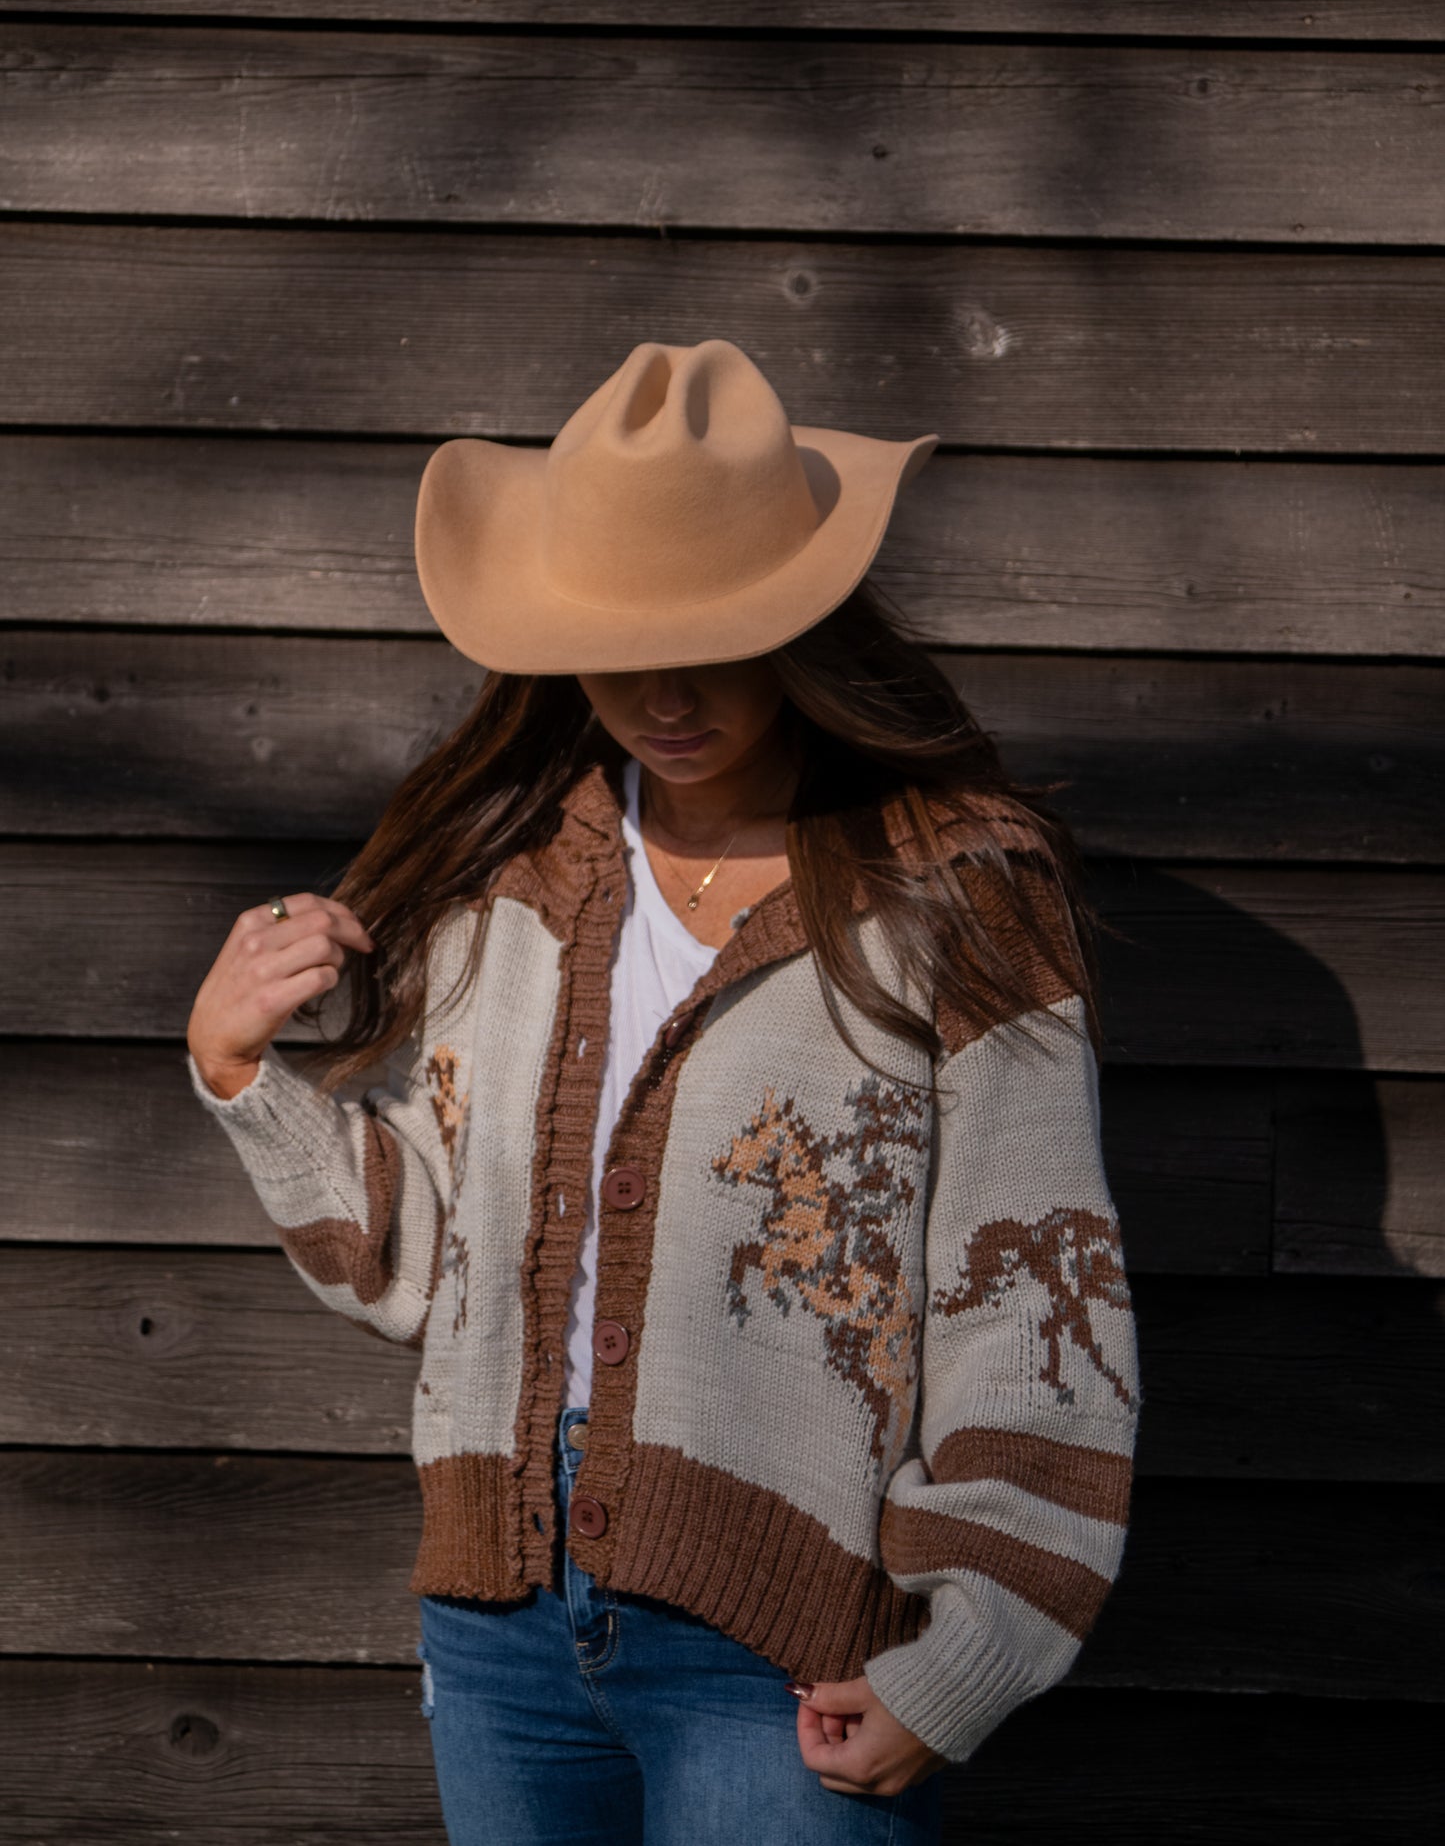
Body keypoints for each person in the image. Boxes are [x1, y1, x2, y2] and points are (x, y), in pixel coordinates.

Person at [186, 338, 1141, 1845]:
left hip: (790, 1641)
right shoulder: (505, 883)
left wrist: (966, 1656)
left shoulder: (954, 890)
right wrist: (242, 1070)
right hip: (497, 1629)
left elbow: (1035, 1300)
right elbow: (421, 1270)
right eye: (616, 638)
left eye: (718, 635)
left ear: (807, 629)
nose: (663, 691)